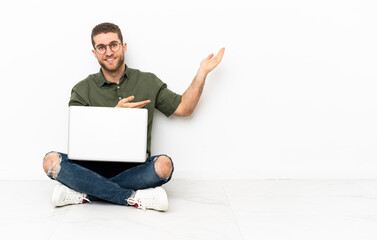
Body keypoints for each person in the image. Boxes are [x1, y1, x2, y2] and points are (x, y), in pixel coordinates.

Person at [42, 22, 225, 211]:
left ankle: (84, 191)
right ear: (94, 53)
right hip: (91, 168)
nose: (109, 52)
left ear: (123, 47)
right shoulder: (82, 89)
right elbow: (79, 138)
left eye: (113, 45)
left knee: (164, 166)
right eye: (101, 47)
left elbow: (184, 108)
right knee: (50, 161)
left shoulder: (148, 81)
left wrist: (202, 73)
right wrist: (115, 115)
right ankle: (131, 197)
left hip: (134, 169)